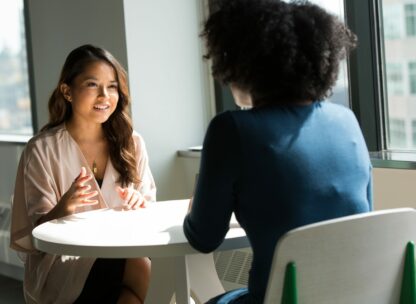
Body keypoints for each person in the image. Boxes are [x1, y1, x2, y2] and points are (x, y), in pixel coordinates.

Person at [183, 0, 373, 303]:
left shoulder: (231, 129)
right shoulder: (346, 121)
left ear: (242, 64)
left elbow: (204, 238)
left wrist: (196, 208)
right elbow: (361, 218)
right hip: (356, 296)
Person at [10, 44, 156, 304]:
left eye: (112, 86)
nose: (105, 96)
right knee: (139, 267)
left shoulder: (132, 143)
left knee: (138, 268)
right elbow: (36, 236)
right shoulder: (41, 150)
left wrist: (139, 202)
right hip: (63, 264)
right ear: (67, 91)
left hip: (123, 252)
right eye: (92, 85)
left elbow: (149, 211)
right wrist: (63, 208)